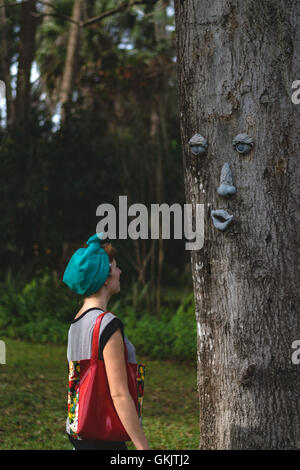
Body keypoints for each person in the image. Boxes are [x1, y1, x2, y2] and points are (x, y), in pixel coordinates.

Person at [63, 232, 150, 450]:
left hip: (80, 431)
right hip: (103, 435)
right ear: (104, 278)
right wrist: (142, 447)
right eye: (116, 268)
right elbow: (119, 393)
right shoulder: (107, 324)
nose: (120, 272)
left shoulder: (76, 323)